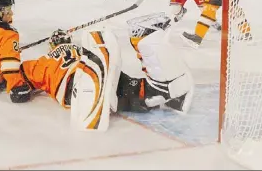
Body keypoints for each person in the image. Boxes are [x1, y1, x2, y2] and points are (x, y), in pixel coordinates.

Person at [19, 12, 194, 130]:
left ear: (52, 45)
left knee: (112, 91)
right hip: (93, 65)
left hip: (72, 87)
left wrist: (18, 89)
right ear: (68, 40)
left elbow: (19, 77)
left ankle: (96, 82)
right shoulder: (79, 50)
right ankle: (162, 89)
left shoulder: (42, 62)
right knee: (129, 89)